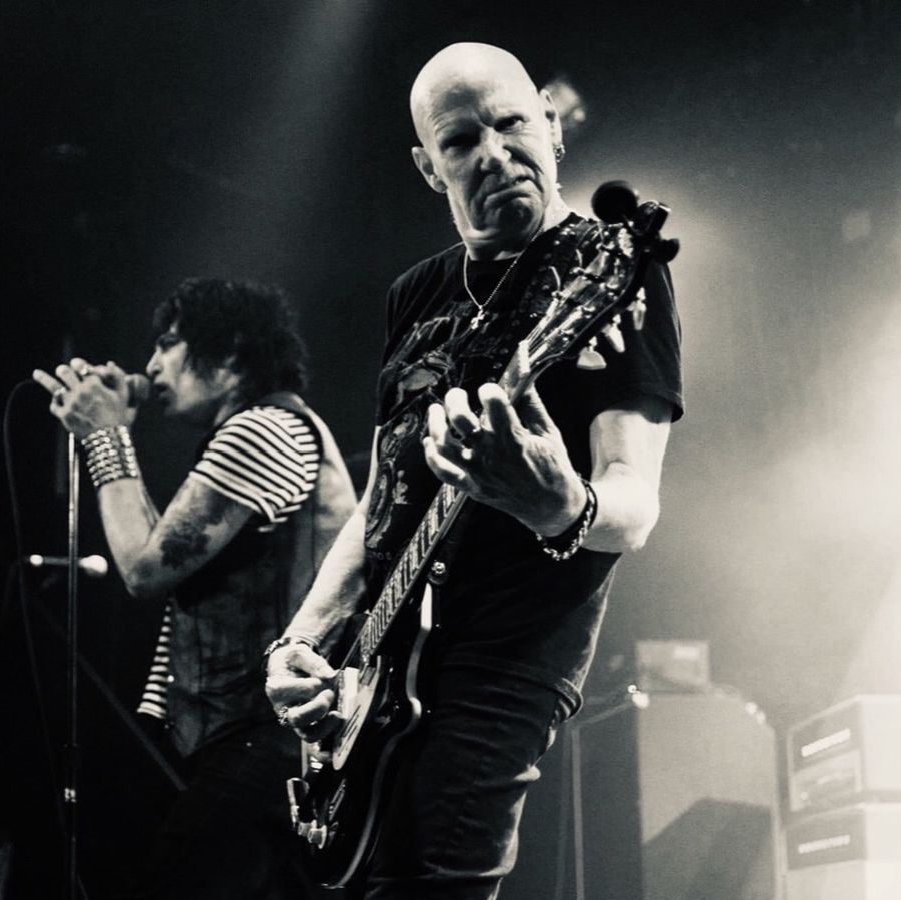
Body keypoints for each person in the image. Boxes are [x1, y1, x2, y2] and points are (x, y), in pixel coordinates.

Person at [263, 42, 683, 899]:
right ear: (430, 167)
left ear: (551, 125)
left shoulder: (609, 268)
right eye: (460, 141)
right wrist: (301, 643)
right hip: (376, 666)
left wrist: (561, 504)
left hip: (505, 654)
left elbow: (634, 503)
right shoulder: (415, 293)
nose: (493, 153)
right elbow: (383, 501)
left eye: (511, 123)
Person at [33, 277, 356, 900]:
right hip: (261, 734)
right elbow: (164, 553)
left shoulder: (264, 429)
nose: (152, 365)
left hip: (269, 731)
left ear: (229, 352)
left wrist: (103, 436)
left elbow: (144, 569)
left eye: (169, 343)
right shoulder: (260, 430)